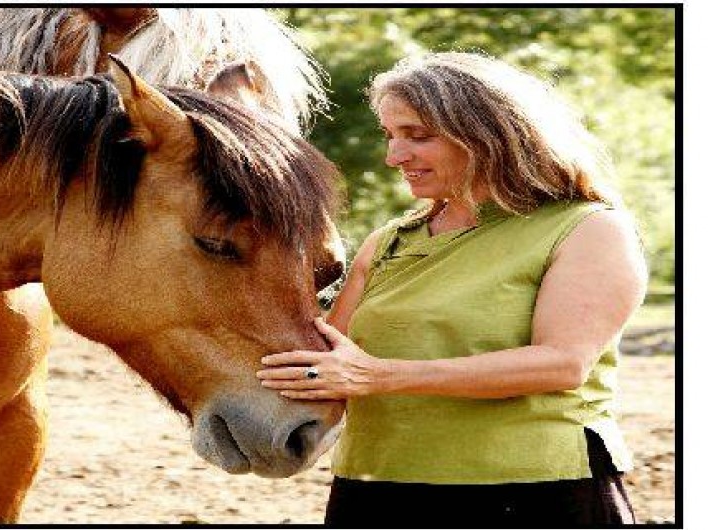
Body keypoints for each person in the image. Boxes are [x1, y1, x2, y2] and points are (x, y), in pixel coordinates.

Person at [256, 52, 647, 527]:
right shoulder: (388, 241)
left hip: (534, 491)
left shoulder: (586, 229)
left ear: (489, 134)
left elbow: (562, 363)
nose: (394, 157)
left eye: (417, 136)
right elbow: (329, 361)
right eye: (391, 136)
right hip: (376, 490)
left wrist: (382, 376)